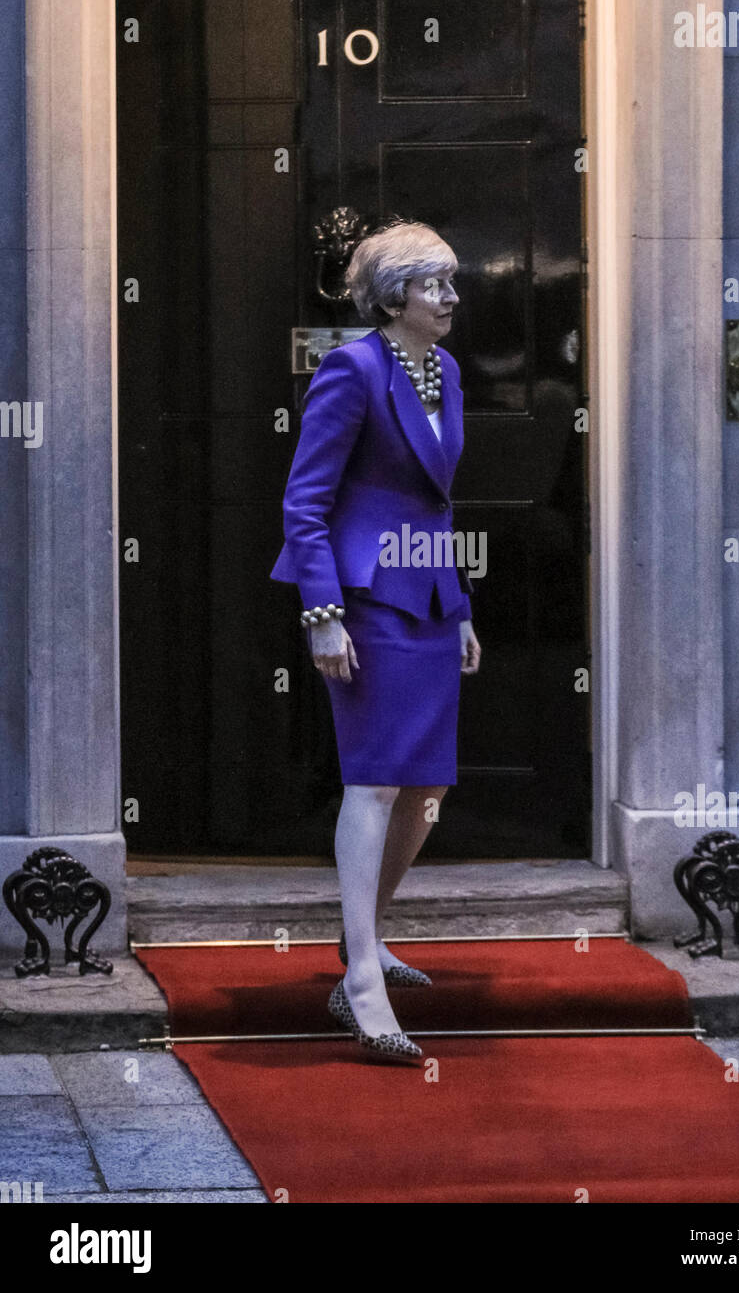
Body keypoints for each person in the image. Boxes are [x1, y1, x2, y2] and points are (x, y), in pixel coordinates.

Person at [271, 218, 481, 1061]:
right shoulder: (350, 371)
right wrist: (321, 613)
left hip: (428, 592)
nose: (452, 298)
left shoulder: (449, 370)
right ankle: (360, 976)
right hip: (364, 600)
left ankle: (370, 936)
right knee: (376, 785)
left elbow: (437, 500)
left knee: (428, 787)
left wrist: (460, 604)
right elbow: (305, 500)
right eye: (437, 285)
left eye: (451, 283)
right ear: (396, 295)